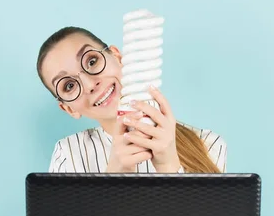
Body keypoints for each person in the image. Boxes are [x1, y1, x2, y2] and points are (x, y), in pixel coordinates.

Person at [35, 26, 227, 174]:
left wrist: (169, 167)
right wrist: (113, 183)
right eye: (69, 85)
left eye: (92, 61)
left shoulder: (208, 144)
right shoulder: (69, 155)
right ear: (69, 109)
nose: (89, 84)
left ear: (118, 58)